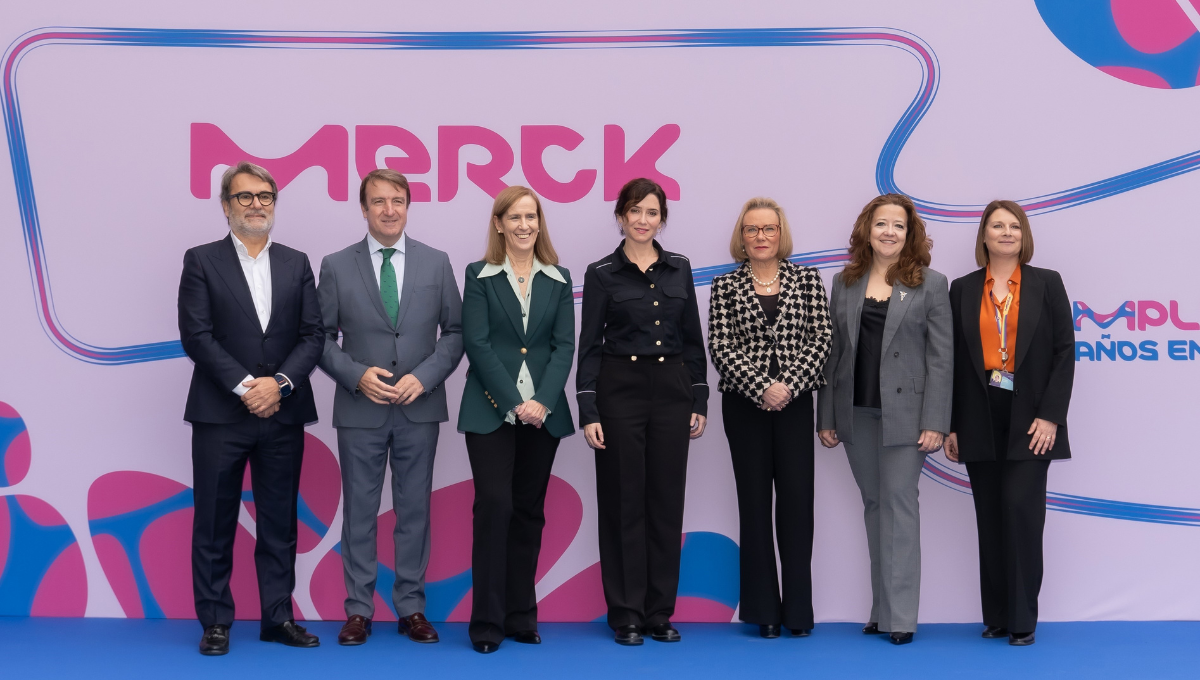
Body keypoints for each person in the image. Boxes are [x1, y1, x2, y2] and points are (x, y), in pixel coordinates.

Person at [178, 161, 324, 655]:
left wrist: (278, 385)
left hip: (282, 414)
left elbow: (313, 336)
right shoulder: (201, 260)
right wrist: (247, 386)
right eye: (245, 196)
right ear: (225, 205)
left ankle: (277, 618)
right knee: (214, 521)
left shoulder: (296, 262)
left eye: (265, 196)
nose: (257, 204)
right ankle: (215, 621)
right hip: (221, 414)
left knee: (279, 523)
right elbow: (196, 336)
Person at [316, 169, 464, 646]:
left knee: (413, 511)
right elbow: (319, 338)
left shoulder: (437, 263)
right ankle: (358, 610)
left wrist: (424, 378)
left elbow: (457, 332)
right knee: (359, 512)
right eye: (378, 201)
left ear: (408, 205)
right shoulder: (337, 265)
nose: (388, 209)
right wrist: (355, 375)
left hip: (419, 409)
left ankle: (411, 608)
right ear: (363, 208)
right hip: (361, 409)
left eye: (397, 200)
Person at [576, 177, 709, 646]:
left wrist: (699, 396)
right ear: (620, 217)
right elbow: (588, 345)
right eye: (634, 211)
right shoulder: (600, 273)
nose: (642, 219)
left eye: (651, 212)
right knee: (622, 503)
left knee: (665, 504)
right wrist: (588, 407)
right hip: (619, 394)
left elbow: (693, 339)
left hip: (671, 392)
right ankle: (626, 613)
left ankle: (658, 612)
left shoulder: (679, 268)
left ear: (662, 219)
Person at [816, 193, 952, 645]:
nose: (888, 232)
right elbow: (833, 355)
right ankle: (881, 610)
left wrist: (935, 420)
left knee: (898, 507)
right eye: (881, 224)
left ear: (909, 233)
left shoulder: (930, 283)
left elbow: (941, 358)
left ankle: (901, 618)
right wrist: (827, 415)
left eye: (897, 225)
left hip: (907, 418)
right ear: (866, 231)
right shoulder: (845, 282)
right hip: (856, 413)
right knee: (875, 507)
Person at [944, 200, 1073, 647]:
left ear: (1024, 235)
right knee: (990, 518)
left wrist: (1051, 416)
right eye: (997, 225)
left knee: (1020, 512)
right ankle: (996, 615)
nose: (1006, 232)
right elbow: (955, 363)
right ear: (983, 235)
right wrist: (953, 425)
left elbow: (1064, 352)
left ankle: (1022, 619)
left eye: (1014, 225)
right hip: (979, 415)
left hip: (1032, 419)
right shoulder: (961, 289)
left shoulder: (1047, 283)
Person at [457, 186, 576, 654]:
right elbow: (478, 344)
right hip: (490, 411)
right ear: (499, 223)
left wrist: (542, 401)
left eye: (532, 217)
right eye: (516, 217)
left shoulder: (559, 277)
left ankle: (520, 615)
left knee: (528, 513)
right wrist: (513, 402)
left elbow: (564, 346)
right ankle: (486, 623)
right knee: (494, 508)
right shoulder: (479, 275)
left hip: (543, 415)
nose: (525, 225)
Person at [708, 197, 831, 639]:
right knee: (755, 505)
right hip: (745, 408)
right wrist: (762, 386)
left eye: (769, 229)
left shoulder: (808, 279)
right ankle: (764, 611)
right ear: (742, 236)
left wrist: (788, 386)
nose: (761, 237)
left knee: (798, 506)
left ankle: (798, 611)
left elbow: (821, 339)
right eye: (752, 229)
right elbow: (721, 348)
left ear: (782, 233)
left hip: (795, 406)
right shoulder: (725, 286)